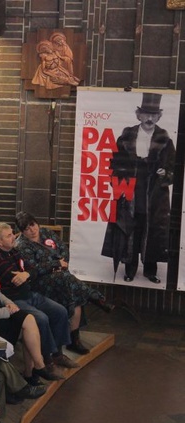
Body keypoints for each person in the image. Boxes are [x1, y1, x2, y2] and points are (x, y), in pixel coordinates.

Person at [101, 92, 175, 285]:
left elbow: (174, 167)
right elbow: (114, 163)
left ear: (159, 116)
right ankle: (130, 269)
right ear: (138, 115)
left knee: (152, 230)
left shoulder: (165, 139)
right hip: (130, 190)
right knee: (130, 228)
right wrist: (120, 181)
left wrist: (165, 173)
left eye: (153, 115)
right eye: (146, 114)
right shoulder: (126, 136)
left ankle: (151, 270)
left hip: (154, 194)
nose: (149, 118)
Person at [15, 212, 112, 354]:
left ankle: (74, 339)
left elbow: (63, 249)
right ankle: (96, 298)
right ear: (22, 231)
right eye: (27, 229)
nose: (32, 230)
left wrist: (61, 264)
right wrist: (55, 264)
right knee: (68, 282)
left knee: (72, 291)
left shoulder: (46, 232)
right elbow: (34, 268)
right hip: (39, 281)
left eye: (33, 225)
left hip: (60, 275)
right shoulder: (22, 245)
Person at [0, 240, 61, 384]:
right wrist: (6, 311)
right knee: (27, 323)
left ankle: (35, 369)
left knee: (29, 320)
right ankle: (37, 368)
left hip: (0, 309)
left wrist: (9, 302)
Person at [0, 223, 76, 370]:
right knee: (41, 318)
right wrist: (27, 274)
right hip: (13, 299)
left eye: (12, 233)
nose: (14, 237)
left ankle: (58, 355)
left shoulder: (14, 251)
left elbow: (30, 271)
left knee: (60, 311)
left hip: (29, 293)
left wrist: (27, 274)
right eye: (9, 235)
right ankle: (47, 359)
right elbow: (16, 280)